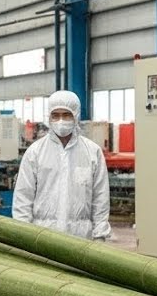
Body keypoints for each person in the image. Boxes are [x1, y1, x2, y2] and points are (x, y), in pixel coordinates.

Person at [11, 90, 111, 240]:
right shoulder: (35, 152)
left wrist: (100, 235)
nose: (61, 121)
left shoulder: (92, 152)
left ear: (76, 116)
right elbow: (23, 197)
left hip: (81, 238)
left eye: (66, 115)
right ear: (49, 117)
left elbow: (100, 198)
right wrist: (24, 235)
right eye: (55, 115)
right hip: (42, 237)